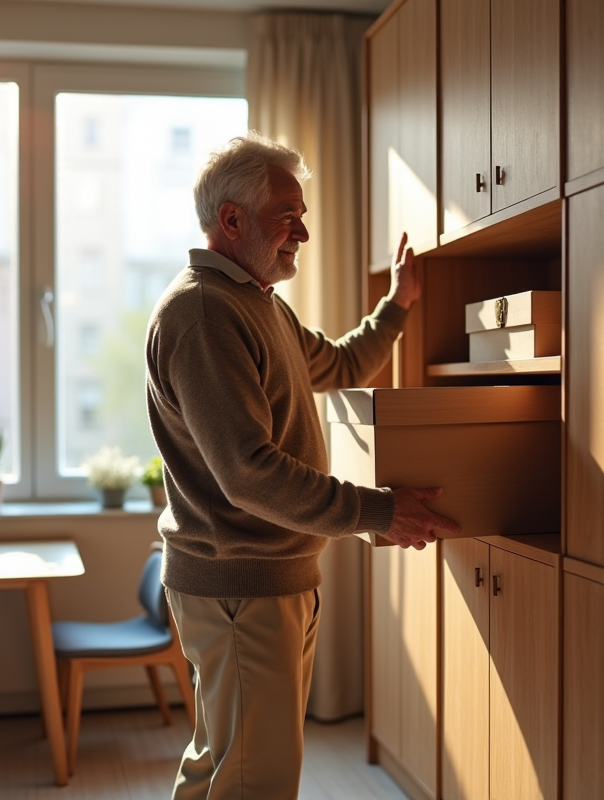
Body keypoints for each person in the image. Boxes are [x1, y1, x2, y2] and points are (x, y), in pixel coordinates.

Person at [144, 132, 461, 800]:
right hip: (243, 587)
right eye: (290, 216)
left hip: (267, 581)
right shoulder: (204, 313)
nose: (304, 234)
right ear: (232, 220)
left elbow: (341, 365)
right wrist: (378, 510)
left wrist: (397, 305)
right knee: (254, 780)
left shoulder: (257, 303)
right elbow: (249, 472)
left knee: (225, 764)